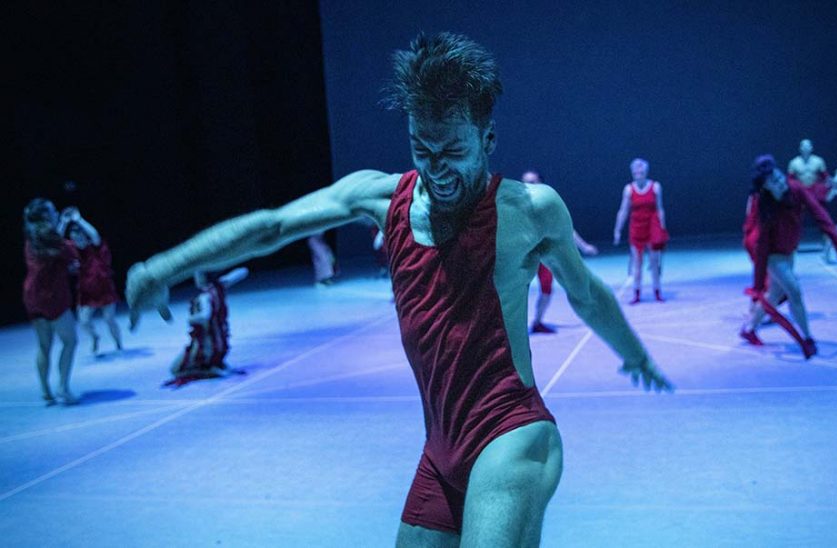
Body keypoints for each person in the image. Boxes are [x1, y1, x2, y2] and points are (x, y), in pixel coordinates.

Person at [127, 32, 672, 546]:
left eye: (453, 151)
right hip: (439, 452)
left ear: (489, 138)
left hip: (511, 436)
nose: (437, 170)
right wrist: (160, 269)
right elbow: (270, 226)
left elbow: (586, 293)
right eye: (422, 149)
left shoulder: (530, 210)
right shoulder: (378, 197)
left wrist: (635, 355)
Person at [740, 156, 837, 359]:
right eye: (773, 182)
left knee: (774, 294)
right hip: (771, 254)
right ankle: (808, 339)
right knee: (795, 293)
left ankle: (749, 329)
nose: (780, 182)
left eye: (779, 177)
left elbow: (820, 215)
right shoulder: (763, 204)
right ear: (766, 188)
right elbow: (761, 245)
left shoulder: (796, 189)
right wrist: (757, 281)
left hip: (789, 249)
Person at [521, 170, 598, 334]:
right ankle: (508, 328)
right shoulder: (517, 206)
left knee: (547, 290)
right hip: (523, 257)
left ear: (541, 184)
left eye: (532, 182)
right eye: (525, 182)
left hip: (544, 256)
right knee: (514, 293)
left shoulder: (550, 206)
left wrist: (584, 247)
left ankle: (537, 322)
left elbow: (567, 229)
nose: (528, 186)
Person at [22, 199, 80, 406]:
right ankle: (63, 387)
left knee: (44, 346)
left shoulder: (32, 236)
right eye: (53, 211)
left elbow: (56, 250)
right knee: (70, 341)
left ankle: (46, 392)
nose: (56, 213)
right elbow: (70, 251)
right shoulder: (49, 234)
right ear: (46, 216)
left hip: (33, 296)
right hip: (52, 296)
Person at [165, 267, 248, 387]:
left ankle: (211, 371)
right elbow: (243, 271)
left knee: (175, 370)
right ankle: (214, 365)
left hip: (206, 345)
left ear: (202, 277)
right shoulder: (219, 287)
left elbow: (205, 316)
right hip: (221, 343)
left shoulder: (204, 297)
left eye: (197, 275)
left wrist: (191, 319)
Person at [62, 207, 124, 353]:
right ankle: (95, 337)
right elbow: (57, 242)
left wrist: (79, 220)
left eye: (80, 237)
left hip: (104, 289)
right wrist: (63, 223)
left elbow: (94, 234)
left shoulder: (96, 246)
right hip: (86, 292)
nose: (78, 240)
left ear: (85, 236)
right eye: (74, 238)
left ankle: (118, 344)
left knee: (109, 319)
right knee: (83, 321)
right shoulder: (72, 251)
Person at [613, 158, 669, 304]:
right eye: (636, 171)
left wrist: (662, 228)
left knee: (654, 262)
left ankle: (657, 292)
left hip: (652, 228)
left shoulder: (656, 187)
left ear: (646, 172)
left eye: (641, 171)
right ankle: (636, 293)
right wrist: (617, 230)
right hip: (636, 229)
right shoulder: (629, 189)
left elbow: (660, 209)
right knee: (637, 263)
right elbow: (623, 211)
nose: (639, 173)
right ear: (632, 173)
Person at [787, 139, 830, 204]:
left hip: (815, 192)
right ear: (800, 148)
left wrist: (825, 189)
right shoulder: (793, 163)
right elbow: (789, 180)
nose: (805, 148)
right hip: (801, 192)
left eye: (807, 146)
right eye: (803, 146)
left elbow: (826, 177)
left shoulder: (819, 161)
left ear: (811, 148)